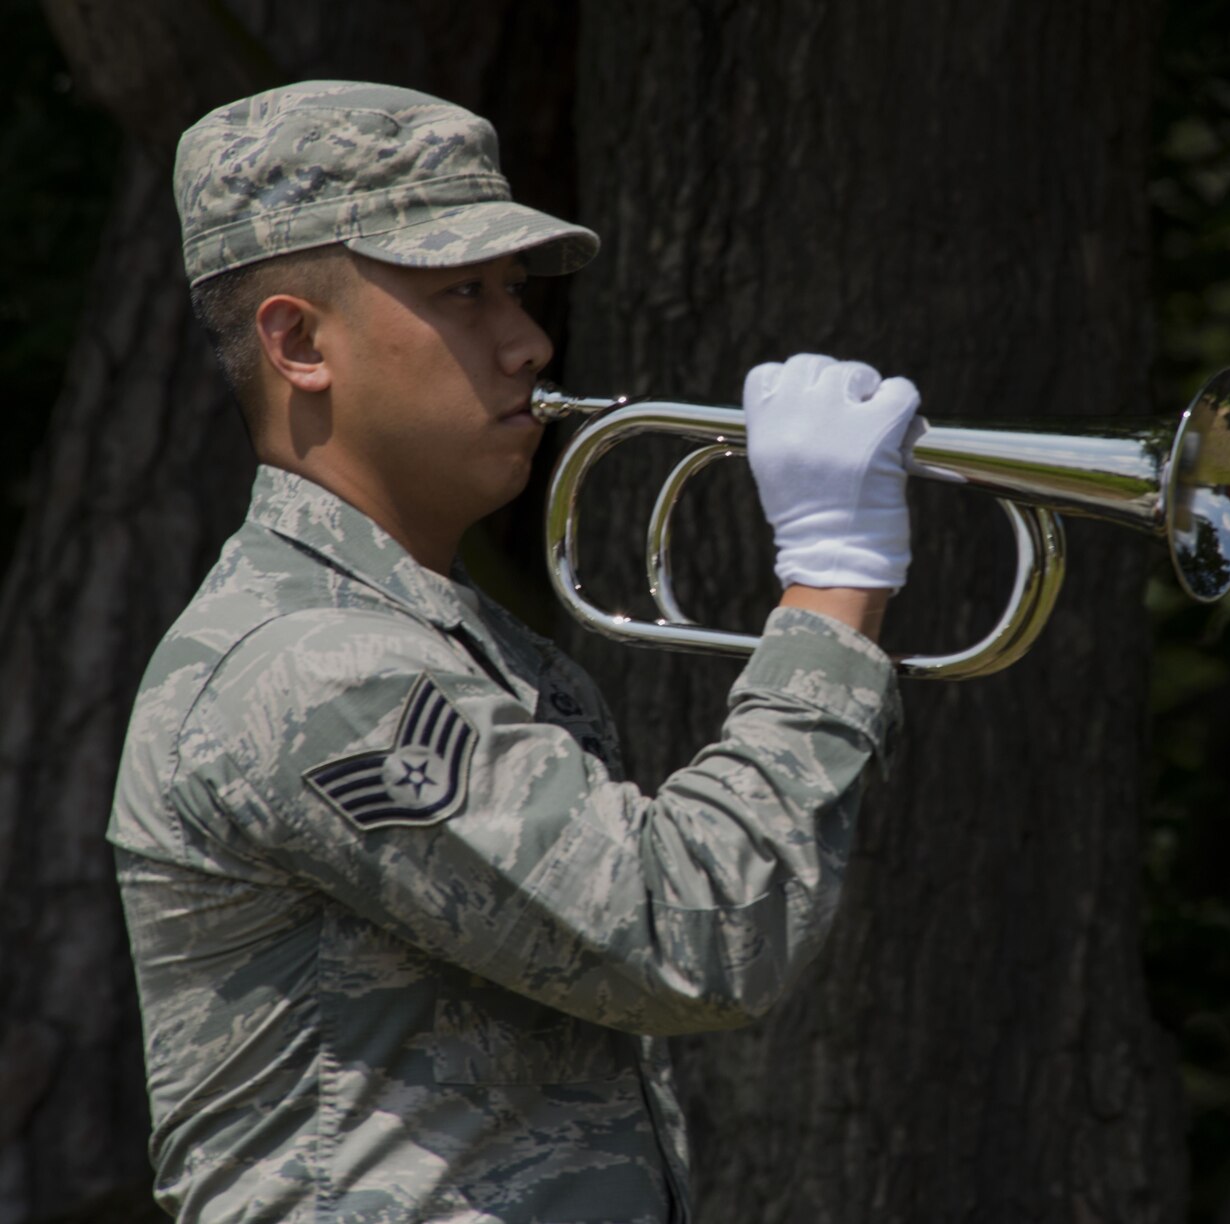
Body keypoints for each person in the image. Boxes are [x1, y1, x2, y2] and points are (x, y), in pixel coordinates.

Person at [107, 80, 917, 1223]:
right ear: (297, 341)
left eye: (517, 292)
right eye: (463, 293)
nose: (528, 339)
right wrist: (834, 581)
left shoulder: (445, 639)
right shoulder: (312, 667)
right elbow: (695, 929)